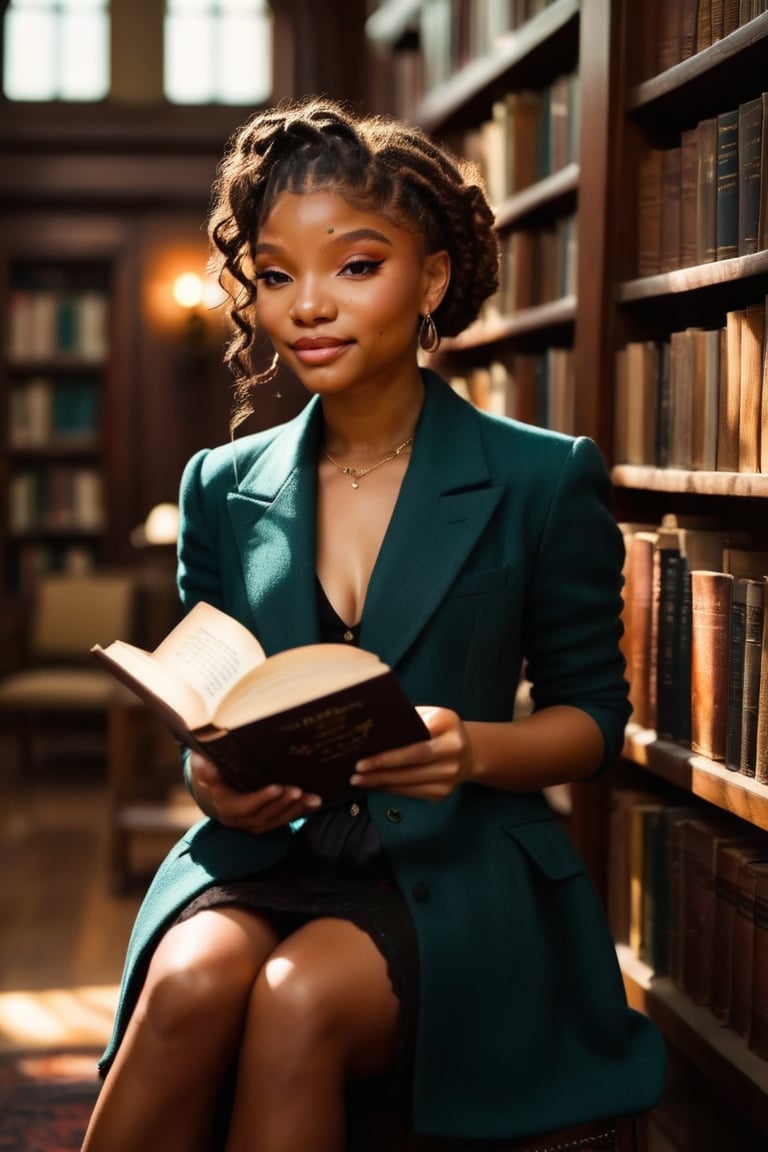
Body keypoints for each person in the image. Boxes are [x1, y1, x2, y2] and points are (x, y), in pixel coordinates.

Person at [81, 96, 665, 1152]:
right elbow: (206, 703)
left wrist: (469, 748)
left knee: (297, 1002)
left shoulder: (541, 477)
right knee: (187, 990)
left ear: (431, 277)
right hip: (266, 854)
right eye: (274, 274)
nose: (309, 305)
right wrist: (208, 778)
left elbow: (591, 721)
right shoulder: (219, 484)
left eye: (354, 266)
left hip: (460, 862)